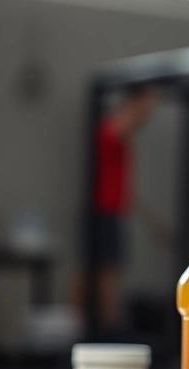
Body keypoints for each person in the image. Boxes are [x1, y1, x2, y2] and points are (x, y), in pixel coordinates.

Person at [79, 84, 162, 333]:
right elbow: (123, 124)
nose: (149, 113)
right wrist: (140, 106)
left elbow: (127, 191)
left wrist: (153, 222)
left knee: (103, 267)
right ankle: (107, 326)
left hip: (112, 209)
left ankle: (104, 324)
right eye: (146, 106)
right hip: (103, 210)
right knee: (104, 268)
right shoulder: (112, 129)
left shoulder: (118, 136)